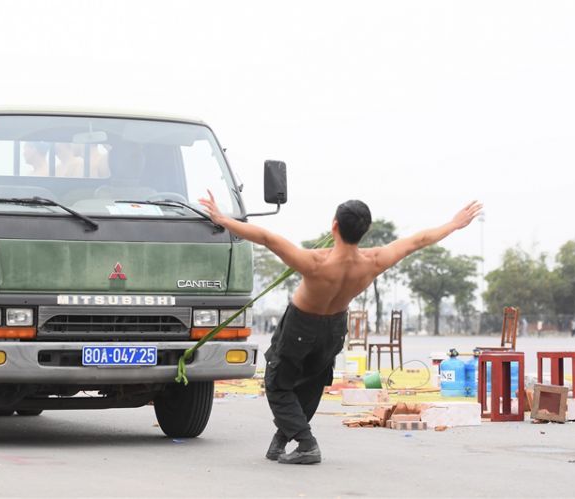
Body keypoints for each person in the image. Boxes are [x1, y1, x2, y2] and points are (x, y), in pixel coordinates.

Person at [198, 192, 482, 465]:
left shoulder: (315, 263)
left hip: (300, 326)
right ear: (365, 230)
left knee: (277, 385)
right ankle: (284, 438)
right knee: (311, 383)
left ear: (334, 225)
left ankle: (306, 443)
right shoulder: (374, 261)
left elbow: (266, 238)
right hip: (334, 329)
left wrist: (222, 219)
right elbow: (417, 241)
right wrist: (454, 224)